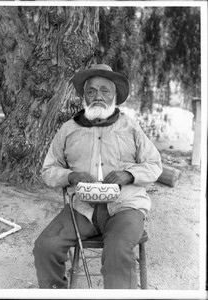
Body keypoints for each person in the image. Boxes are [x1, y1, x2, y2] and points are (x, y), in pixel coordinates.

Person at [33, 64, 162, 289]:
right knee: (46, 245)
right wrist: (71, 176)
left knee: (118, 251)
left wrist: (128, 174)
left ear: (115, 96)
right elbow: (48, 170)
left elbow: (154, 164)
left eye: (105, 91)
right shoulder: (68, 129)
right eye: (91, 91)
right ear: (84, 96)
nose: (97, 97)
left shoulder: (130, 126)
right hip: (82, 209)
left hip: (125, 207)